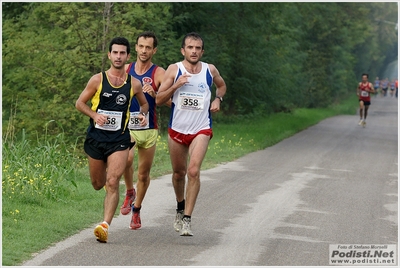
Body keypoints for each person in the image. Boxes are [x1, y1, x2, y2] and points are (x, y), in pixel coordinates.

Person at [75, 36, 149, 243]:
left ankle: (105, 225)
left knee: (113, 181)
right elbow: (79, 103)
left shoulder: (134, 84)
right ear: (109, 55)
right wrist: (94, 115)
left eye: (122, 53)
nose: (118, 56)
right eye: (115, 52)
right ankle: (110, 184)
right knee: (98, 184)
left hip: (119, 140)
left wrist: (142, 114)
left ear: (127, 56)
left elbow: (144, 105)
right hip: (96, 138)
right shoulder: (97, 80)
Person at [156, 32, 227, 236]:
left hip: (201, 128)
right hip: (177, 129)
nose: (194, 51)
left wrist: (217, 100)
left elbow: (221, 86)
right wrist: (177, 85)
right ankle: (180, 206)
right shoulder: (174, 69)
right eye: (190, 47)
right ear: (183, 50)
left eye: (197, 48)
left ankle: (187, 219)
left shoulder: (209, 70)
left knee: (193, 171)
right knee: (179, 173)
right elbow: (159, 100)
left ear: (202, 51)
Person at [119, 31, 169, 230]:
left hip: (149, 128)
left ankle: (137, 209)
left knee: (144, 174)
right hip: (128, 125)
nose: (144, 50)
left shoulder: (159, 73)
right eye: (141, 46)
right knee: (127, 159)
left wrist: (156, 94)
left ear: (154, 50)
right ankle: (130, 191)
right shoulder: (125, 69)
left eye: (148, 47)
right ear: (136, 47)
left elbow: (170, 100)